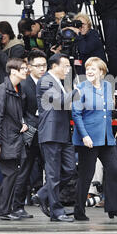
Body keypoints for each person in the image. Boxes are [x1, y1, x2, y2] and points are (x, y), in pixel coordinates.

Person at [72, 57, 117, 220]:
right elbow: (76, 114)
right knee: (86, 175)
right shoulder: (81, 88)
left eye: (93, 69)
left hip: (106, 137)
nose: (89, 71)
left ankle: (113, 207)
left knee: (113, 170)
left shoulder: (107, 86)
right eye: (88, 68)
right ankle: (79, 210)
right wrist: (84, 136)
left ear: (102, 72)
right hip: (89, 138)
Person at [34, 53, 80, 222]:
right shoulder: (46, 81)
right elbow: (59, 102)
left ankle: (43, 193)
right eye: (65, 66)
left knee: (69, 170)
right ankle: (56, 211)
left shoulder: (59, 82)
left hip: (63, 132)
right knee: (53, 174)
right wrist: (79, 91)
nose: (68, 70)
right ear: (54, 66)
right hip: (51, 133)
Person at [0, 58, 32, 220]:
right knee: (11, 174)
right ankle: (1, 208)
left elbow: (15, 114)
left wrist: (23, 123)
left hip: (13, 137)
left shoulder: (17, 89)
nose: (26, 71)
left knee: (12, 174)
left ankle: (3, 208)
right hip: (4, 139)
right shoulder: (3, 90)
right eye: (23, 69)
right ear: (13, 71)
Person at [21, 50, 47, 196]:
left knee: (51, 169)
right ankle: (18, 205)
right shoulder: (24, 85)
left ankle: (48, 200)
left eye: (44, 65)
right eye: (38, 66)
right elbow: (19, 111)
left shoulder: (50, 83)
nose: (42, 69)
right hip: (30, 132)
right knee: (25, 170)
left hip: (47, 132)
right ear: (29, 67)